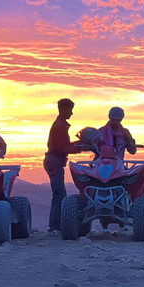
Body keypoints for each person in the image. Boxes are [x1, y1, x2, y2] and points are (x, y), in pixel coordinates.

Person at [44, 98, 84, 232]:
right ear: (64, 109)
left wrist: (79, 144)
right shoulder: (60, 126)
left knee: (60, 193)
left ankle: (57, 225)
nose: (71, 113)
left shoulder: (60, 125)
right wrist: (80, 148)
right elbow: (61, 147)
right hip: (54, 161)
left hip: (53, 160)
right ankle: (54, 226)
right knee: (59, 194)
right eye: (70, 110)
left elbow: (63, 145)